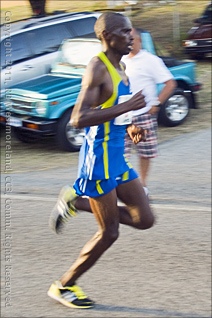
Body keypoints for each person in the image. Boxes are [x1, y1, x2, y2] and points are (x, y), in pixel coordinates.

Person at [47, 12, 155, 310]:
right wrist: (127, 107)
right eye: (124, 32)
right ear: (108, 36)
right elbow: (79, 119)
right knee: (109, 232)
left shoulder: (122, 67)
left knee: (144, 219)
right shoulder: (97, 67)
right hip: (97, 162)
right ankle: (64, 285)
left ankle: (75, 201)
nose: (132, 36)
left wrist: (132, 127)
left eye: (132, 31)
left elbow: (114, 111)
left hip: (117, 156)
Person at [122, 28, 176, 196]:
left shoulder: (150, 60)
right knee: (120, 153)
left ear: (139, 41)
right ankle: (123, 185)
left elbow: (170, 83)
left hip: (140, 116)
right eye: (127, 40)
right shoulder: (121, 59)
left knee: (143, 152)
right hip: (122, 116)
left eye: (132, 40)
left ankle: (142, 185)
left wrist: (156, 103)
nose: (129, 44)